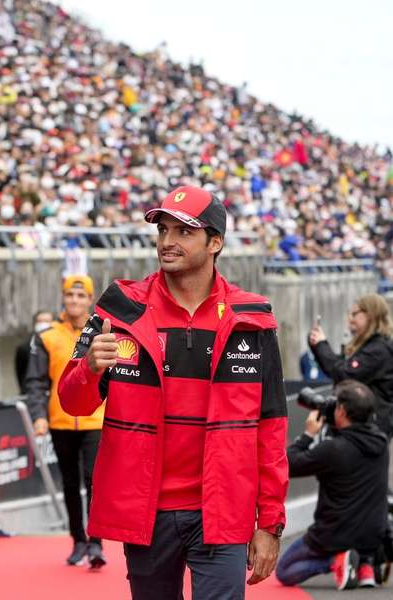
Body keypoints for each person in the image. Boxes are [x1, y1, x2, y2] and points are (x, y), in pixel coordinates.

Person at [58, 186, 288, 598]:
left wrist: (269, 523)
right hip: (147, 514)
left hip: (222, 513)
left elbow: (271, 428)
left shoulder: (253, 320)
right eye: (163, 230)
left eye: (184, 232)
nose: (167, 241)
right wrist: (89, 368)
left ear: (215, 243)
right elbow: (73, 402)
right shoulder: (118, 308)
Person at [25, 276, 106, 567]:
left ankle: (96, 543)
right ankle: (78, 541)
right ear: (63, 298)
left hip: (95, 420)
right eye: (70, 296)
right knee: (70, 484)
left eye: (81, 296)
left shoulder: (101, 332)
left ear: (89, 299)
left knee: (94, 482)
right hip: (60, 421)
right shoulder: (46, 336)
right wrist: (38, 417)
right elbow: (34, 383)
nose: (75, 301)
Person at [277, 380, 389, 590]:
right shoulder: (380, 442)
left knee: (285, 570)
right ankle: (365, 564)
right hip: (372, 534)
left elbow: (288, 463)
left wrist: (308, 434)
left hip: (333, 535)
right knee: (360, 536)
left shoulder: (333, 450)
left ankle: (337, 561)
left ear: (342, 411)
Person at [308, 294, 393, 437]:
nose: (350, 319)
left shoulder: (379, 349)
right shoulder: (367, 346)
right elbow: (335, 368)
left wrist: (322, 344)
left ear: (370, 315)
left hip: (369, 429)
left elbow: (344, 374)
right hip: (356, 425)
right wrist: (318, 346)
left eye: (355, 314)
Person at [15, 309, 55, 395]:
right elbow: (21, 372)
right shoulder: (24, 347)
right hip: (32, 394)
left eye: (47, 321)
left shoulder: (60, 344)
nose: (44, 324)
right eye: (40, 321)